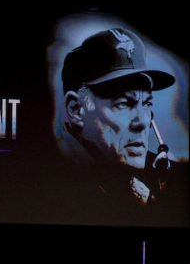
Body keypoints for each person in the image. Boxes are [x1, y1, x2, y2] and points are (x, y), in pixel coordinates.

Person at [59, 28, 178, 207]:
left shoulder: (166, 176)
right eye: (122, 104)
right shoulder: (52, 179)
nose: (143, 121)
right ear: (76, 110)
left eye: (146, 103)